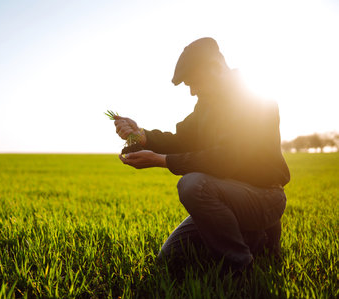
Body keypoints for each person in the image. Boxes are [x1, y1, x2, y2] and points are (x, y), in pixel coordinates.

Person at [113, 37, 290, 272]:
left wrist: (160, 161)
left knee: (192, 185)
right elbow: (181, 140)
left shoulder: (256, 101)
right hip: (227, 194)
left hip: (264, 197)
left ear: (215, 69)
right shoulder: (206, 104)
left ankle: (240, 267)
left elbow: (227, 158)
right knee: (169, 258)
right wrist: (141, 135)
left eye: (194, 83)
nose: (192, 91)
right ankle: (256, 238)